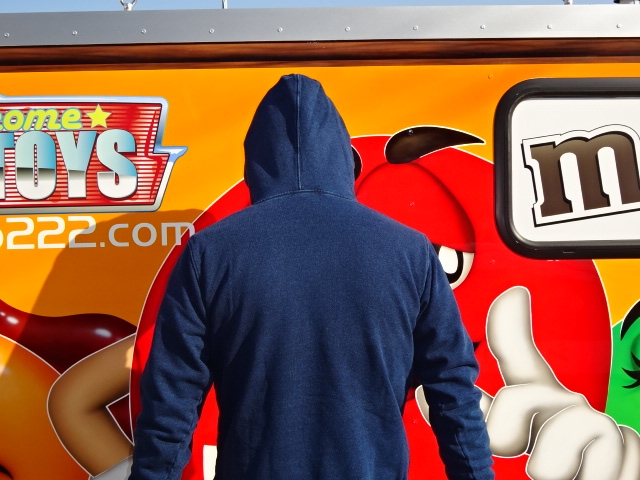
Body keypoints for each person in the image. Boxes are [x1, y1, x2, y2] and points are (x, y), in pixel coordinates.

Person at [129, 74, 493, 480]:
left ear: (256, 157)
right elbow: (453, 388)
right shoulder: (410, 252)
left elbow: (171, 401)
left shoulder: (210, 253)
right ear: (341, 154)